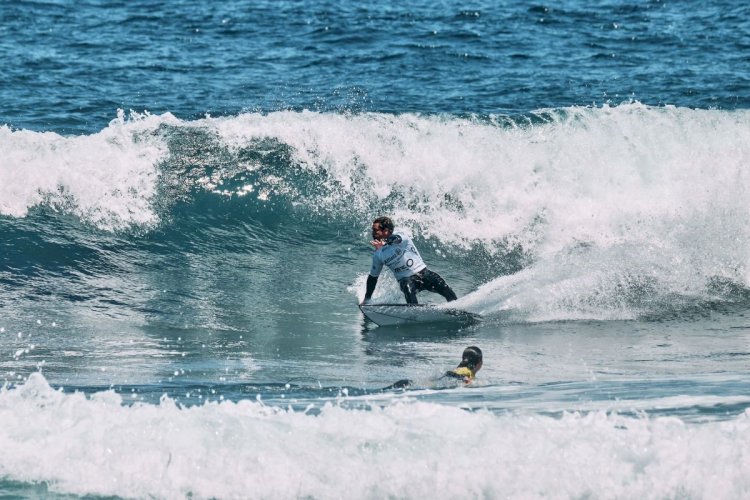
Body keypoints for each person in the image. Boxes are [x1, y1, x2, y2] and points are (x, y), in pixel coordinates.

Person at [362, 216, 457, 305]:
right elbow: (373, 278)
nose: (373, 233)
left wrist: (386, 243)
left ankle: (458, 307)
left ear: (386, 231)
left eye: (375, 230)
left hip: (423, 273)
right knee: (407, 287)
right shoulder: (378, 255)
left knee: (443, 287)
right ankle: (414, 314)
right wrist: (367, 299)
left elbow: (396, 239)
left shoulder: (400, 235)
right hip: (406, 280)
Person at [381, 346, 483, 390]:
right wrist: (465, 379)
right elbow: (449, 374)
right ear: (479, 363)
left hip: (422, 384)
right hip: (423, 385)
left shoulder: (464, 369)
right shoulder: (467, 371)